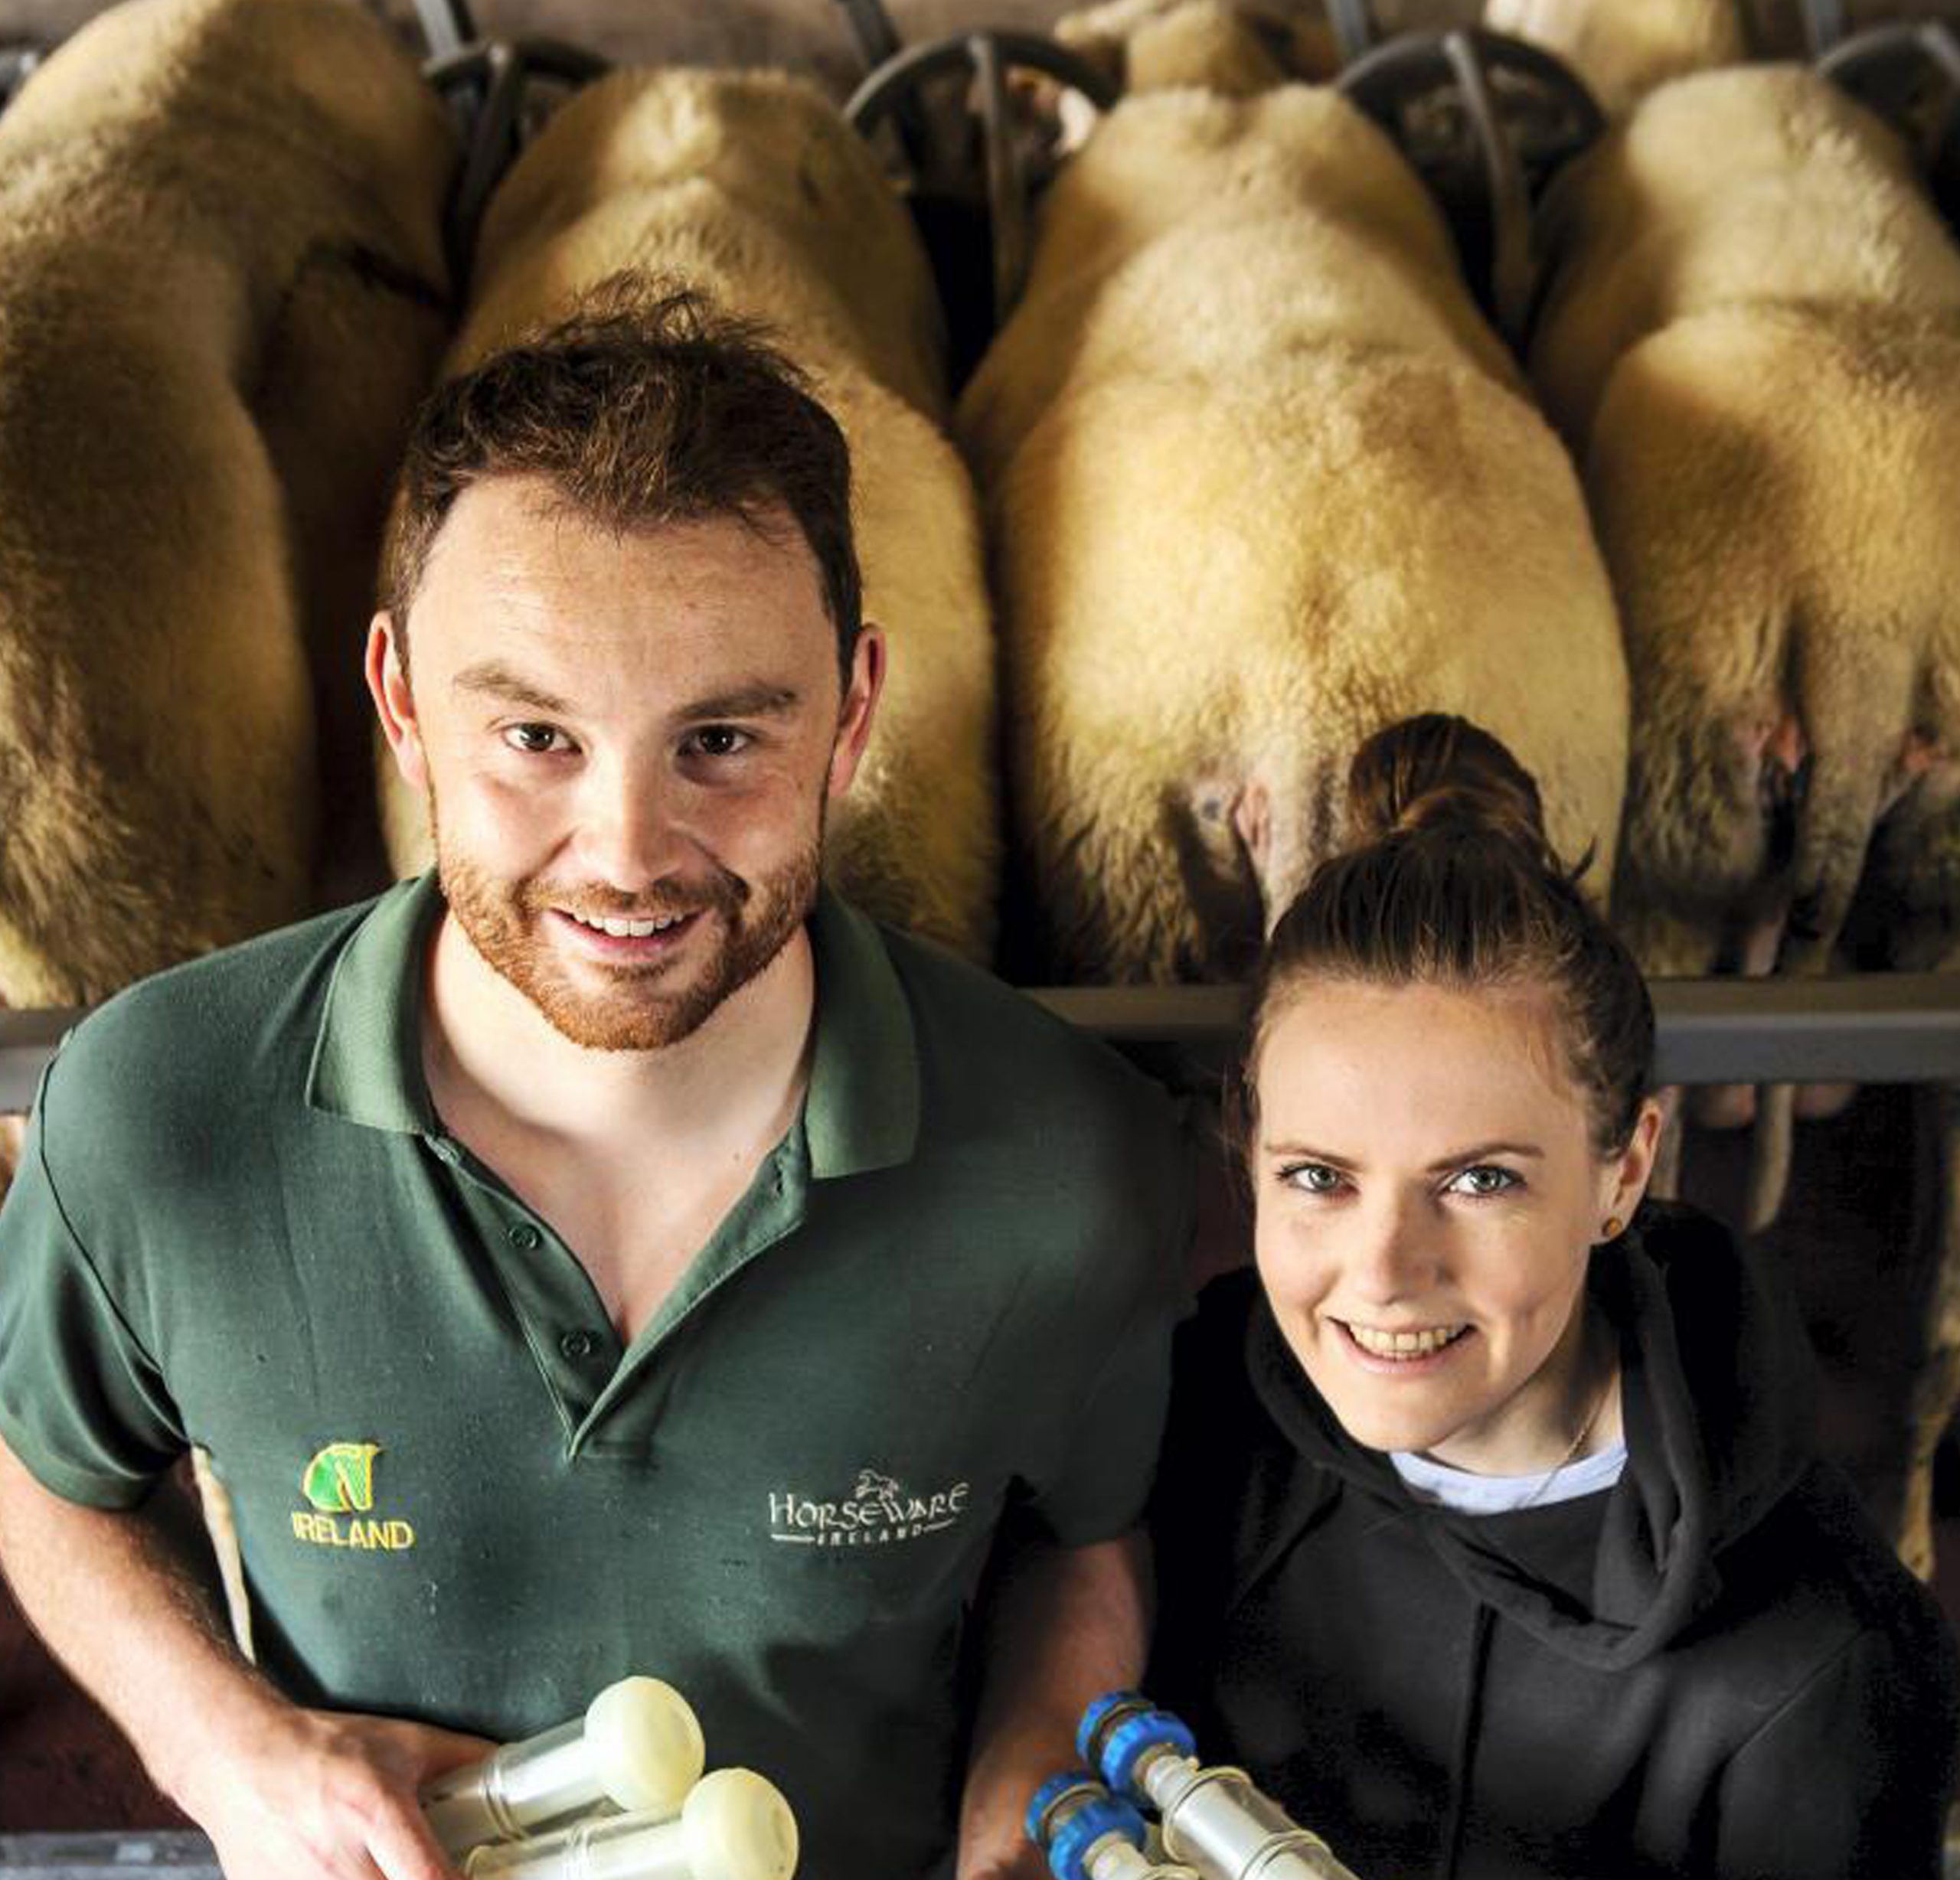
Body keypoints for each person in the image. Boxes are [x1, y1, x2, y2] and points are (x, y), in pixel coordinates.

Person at [0, 286, 1190, 1880]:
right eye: (537, 737)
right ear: (403, 704)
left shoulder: (1065, 1159)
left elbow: (1078, 1538)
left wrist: (1025, 1789)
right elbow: (42, 1468)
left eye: (719, 742)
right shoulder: (159, 1113)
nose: (624, 855)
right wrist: (222, 1741)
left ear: (849, 717)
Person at [1148, 713, 1960, 1879]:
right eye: (1318, 1177)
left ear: (1624, 1172)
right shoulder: (1193, 1429)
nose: (1382, 1271)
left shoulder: (1831, 1667)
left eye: (1480, 1181)